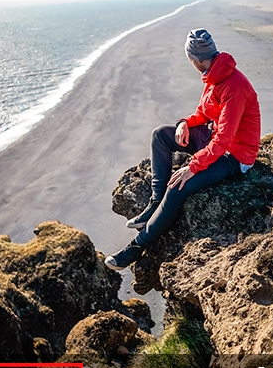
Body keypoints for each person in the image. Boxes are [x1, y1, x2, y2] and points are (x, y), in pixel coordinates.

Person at [104, 28, 261, 271]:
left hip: (235, 156)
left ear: (194, 59)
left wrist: (193, 167)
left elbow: (224, 139)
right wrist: (184, 123)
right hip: (214, 139)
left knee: (178, 187)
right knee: (160, 135)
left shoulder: (234, 85)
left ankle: (136, 247)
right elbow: (204, 113)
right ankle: (155, 205)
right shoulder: (212, 75)